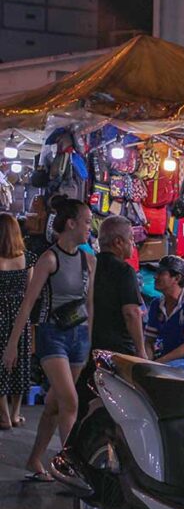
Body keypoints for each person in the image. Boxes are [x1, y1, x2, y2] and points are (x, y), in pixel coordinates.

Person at [3, 196, 94, 482]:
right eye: (87, 222)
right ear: (71, 224)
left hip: (78, 336)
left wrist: (90, 340)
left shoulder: (89, 260)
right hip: (51, 335)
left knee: (55, 404)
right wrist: (12, 345)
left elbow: (89, 305)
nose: (90, 228)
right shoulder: (48, 259)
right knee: (70, 401)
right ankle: (72, 468)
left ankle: (34, 458)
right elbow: (28, 303)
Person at [91, 216, 145, 357]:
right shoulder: (124, 271)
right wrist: (140, 350)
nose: (133, 244)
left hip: (89, 345)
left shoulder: (89, 265)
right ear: (118, 242)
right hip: (118, 349)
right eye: (131, 239)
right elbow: (131, 313)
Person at [0, 213, 32, 430]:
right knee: (20, 363)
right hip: (21, 315)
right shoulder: (28, 259)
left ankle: (2, 415)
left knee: (1, 363)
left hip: (0, 315)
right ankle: (15, 413)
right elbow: (31, 292)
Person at [145, 255, 184, 375]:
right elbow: (149, 341)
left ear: (177, 278)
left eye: (161, 273)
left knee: (161, 372)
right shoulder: (156, 304)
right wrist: (146, 361)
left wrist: (159, 363)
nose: (155, 276)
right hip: (164, 360)